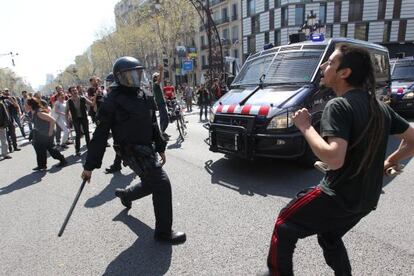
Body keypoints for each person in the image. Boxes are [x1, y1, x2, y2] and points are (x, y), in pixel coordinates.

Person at [263, 45, 414, 275]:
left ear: (344, 73)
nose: (324, 66)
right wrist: (390, 160)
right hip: (365, 200)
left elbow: (334, 158)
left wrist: (305, 127)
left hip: (338, 196)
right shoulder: (381, 108)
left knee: (285, 225)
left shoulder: (339, 105)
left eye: (331, 62)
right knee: (329, 235)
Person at [81, 56, 186, 244]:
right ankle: (163, 232)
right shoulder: (111, 100)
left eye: (137, 74)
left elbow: (153, 123)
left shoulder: (143, 94)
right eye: (130, 75)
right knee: (161, 183)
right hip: (130, 151)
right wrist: (89, 166)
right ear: (120, 77)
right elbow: (100, 134)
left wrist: (160, 146)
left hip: (147, 148)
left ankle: (126, 195)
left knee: (151, 182)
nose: (134, 79)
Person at [26, 98, 67, 171]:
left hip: (46, 133)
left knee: (50, 149)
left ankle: (63, 160)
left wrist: (50, 132)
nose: (25, 106)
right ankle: (42, 165)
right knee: (40, 149)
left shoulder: (39, 113)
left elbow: (52, 120)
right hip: (41, 133)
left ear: (31, 105)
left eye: (26, 104)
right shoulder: (33, 112)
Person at [104, 72, 123, 174]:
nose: (109, 85)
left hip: (122, 124)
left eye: (111, 83)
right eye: (109, 83)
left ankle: (118, 163)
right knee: (117, 144)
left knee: (120, 144)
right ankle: (117, 164)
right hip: (115, 124)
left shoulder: (119, 95)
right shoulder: (110, 95)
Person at [66, 86, 93, 156]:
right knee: (78, 134)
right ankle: (77, 150)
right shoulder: (69, 101)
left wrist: (94, 97)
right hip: (76, 119)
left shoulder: (82, 98)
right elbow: (66, 112)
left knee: (86, 133)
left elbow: (92, 104)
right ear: (70, 93)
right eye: (73, 91)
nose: (75, 91)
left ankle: (89, 147)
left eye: (75, 90)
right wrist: (67, 122)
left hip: (83, 118)